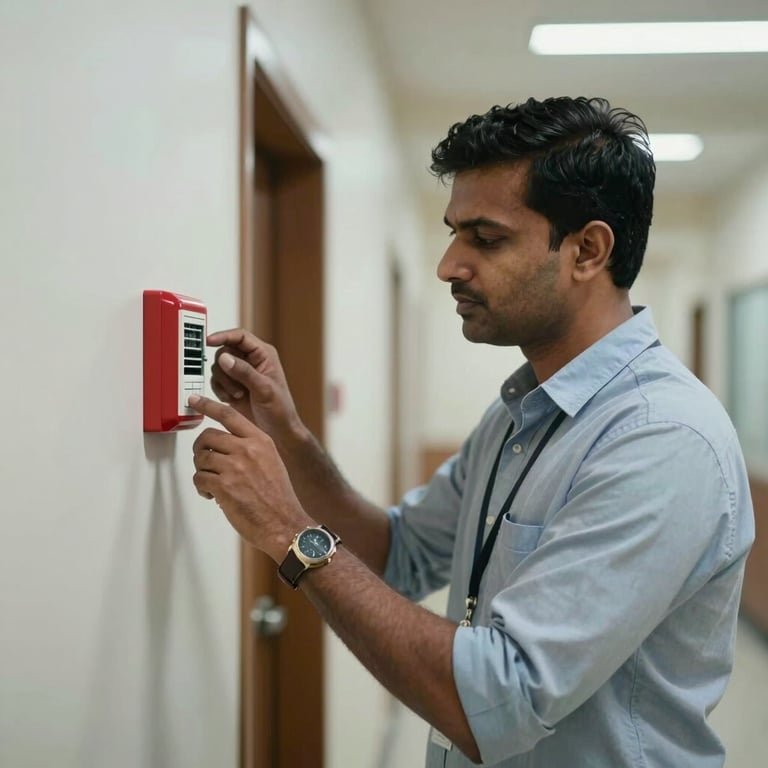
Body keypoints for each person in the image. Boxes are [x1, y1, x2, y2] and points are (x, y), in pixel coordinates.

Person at [189, 96, 754, 767]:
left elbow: (498, 699)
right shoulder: (521, 413)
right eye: (454, 232)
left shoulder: (661, 441)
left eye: (485, 239)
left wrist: (288, 531)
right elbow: (394, 553)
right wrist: (290, 439)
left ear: (587, 250)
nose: (449, 265)